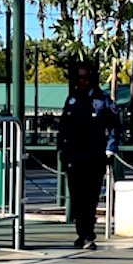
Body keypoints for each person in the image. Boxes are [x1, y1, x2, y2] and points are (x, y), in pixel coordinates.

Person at [56, 61, 121, 250]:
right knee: (76, 197)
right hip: (75, 156)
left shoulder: (103, 101)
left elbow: (115, 126)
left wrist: (110, 149)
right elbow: (64, 127)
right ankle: (80, 233)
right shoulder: (72, 99)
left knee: (90, 196)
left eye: (85, 78)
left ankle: (88, 234)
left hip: (94, 155)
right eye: (78, 78)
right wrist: (61, 149)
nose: (82, 81)